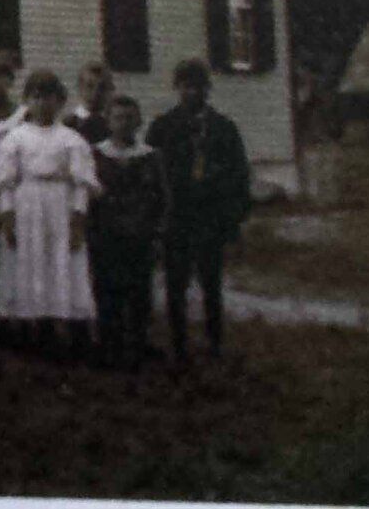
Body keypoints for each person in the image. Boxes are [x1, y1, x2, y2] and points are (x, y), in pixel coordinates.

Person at [146, 58, 252, 362]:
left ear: (207, 88)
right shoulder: (162, 127)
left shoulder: (224, 128)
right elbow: (150, 175)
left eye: (197, 86)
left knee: (211, 283)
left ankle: (215, 342)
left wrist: (232, 220)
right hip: (176, 217)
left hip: (210, 218)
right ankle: (178, 345)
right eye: (185, 86)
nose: (191, 92)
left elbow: (239, 176)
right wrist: (156, 219)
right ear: (176, 88)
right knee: (175, 284)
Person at [0, 68, 99, 354]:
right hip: (27, 206)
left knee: (62, 262)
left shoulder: (71, 139)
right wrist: (8, 217)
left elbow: (81, 185)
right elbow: (6, 183)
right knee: (29, 261)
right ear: (27, 100)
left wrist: (78, 220)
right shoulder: (15, 137)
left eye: (49, 97)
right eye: (36, 97)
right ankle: (30, 327)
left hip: (60, 206)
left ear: (60, 100)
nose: (43, 103)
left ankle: (66, 328)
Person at [90, 93, 168, 369]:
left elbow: (161, 199)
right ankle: (109, 348)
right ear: (108, 121)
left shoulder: (150, 157)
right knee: (106, 292)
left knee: (139, 294)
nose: (123, 123)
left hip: (140, 235)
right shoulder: (96, 155)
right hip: (106, 235)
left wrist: (157, 233)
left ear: (138, 122)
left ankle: (137, 347)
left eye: (129, 118)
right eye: (118, 118)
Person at [66, 60, 114, 146]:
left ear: (110, 89)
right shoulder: (68, 125)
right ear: (79, 87)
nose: (96, 92)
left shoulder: (115, 125)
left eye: (102, 87)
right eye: (89, 86)